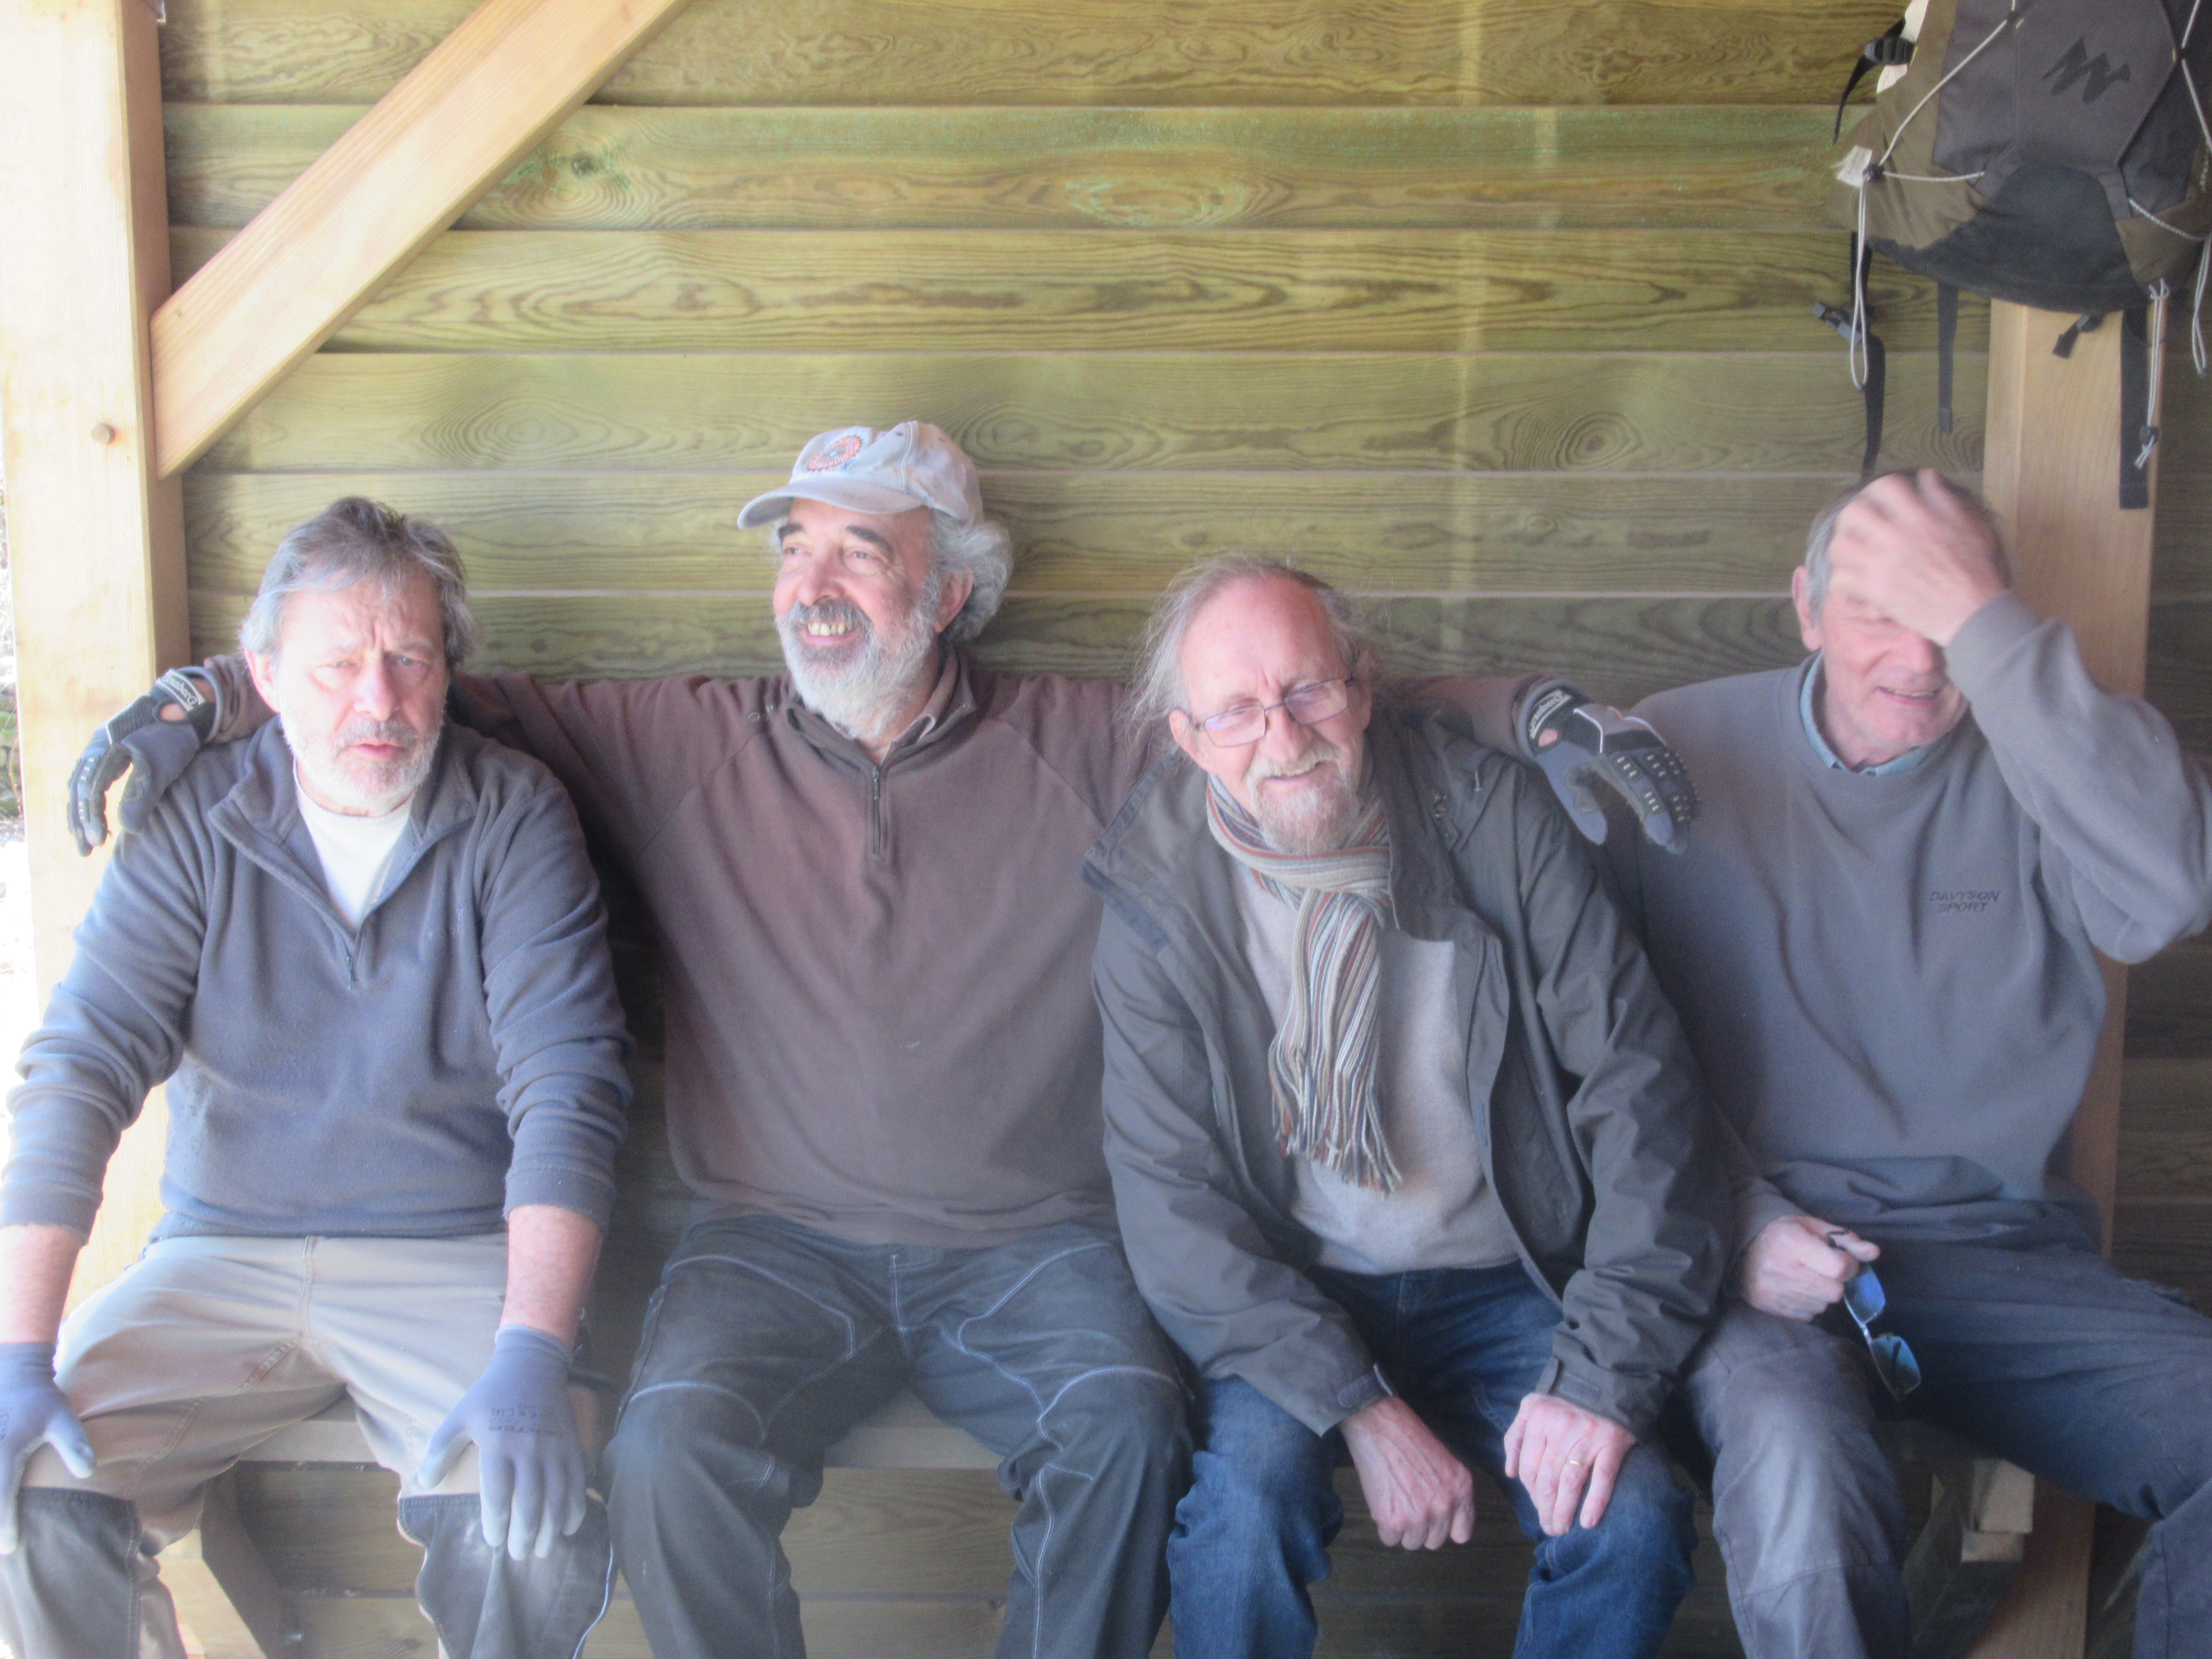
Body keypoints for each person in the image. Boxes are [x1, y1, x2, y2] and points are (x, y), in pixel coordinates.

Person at [66, 422, 1697, 1659]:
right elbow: (388, 684)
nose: (814, 585)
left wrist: (1536, 711)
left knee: (1127, 1430)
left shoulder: (1087, 739)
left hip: (1036, 1246)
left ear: (954, 589)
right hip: (771, 1245)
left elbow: (1297, 702)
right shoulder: (680, 741)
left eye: (862, 552)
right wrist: (208, 698)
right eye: (796, 552)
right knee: (667, 1452)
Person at [1587, 469, 2212, 1659]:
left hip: (2001, 1257)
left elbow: (2171, 894)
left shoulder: (2050, 756)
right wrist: (1737, 1216)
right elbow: (1592, 1047)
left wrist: (1994, 639)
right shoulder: (1678, 747)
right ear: (1806, 608)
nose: (1920, 661)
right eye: (1881, 611)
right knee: (1802, 1484)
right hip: (1758, 1257)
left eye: (1949, 617)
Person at [0, 499, 632, 1659]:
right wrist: (16, 1354)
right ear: (266, 678)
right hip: (219, 1252)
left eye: (410, 661)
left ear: (448, 674)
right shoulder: (196, 818)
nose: (377, 702)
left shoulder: (513, 814)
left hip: (450, 1252)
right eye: (337, 665)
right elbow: (82, 1064)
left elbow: (569, 1086)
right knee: (32, 1500)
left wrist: (534, 1353)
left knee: (527, 1536)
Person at [1084, 557, 1728, 1659]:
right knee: (1241, 1521)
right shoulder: (1158, 896)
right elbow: (1172, 1213)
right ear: (1188, 739)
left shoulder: (1493, 822)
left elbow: (1644, 1096)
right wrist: (1361, 1407)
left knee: (1630, 1522)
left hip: (1511, 1277)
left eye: (1307, 690)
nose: (1283, 737)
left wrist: (1601, 1381)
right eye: (1236, 711)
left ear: (1362, 689)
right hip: (1295, 1292)